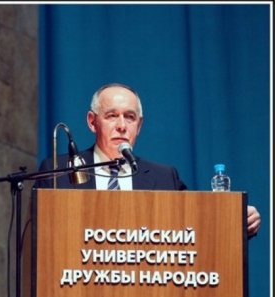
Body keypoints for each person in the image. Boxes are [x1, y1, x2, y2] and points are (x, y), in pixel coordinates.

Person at [35, 83, 261, 238]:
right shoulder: (59, 171)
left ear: (139, 125)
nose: (122, 126)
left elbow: (196, 227)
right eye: (112, 116)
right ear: (92, 122)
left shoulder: (163, 178)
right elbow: (39, 236)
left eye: (129, 117)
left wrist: (237, 221)